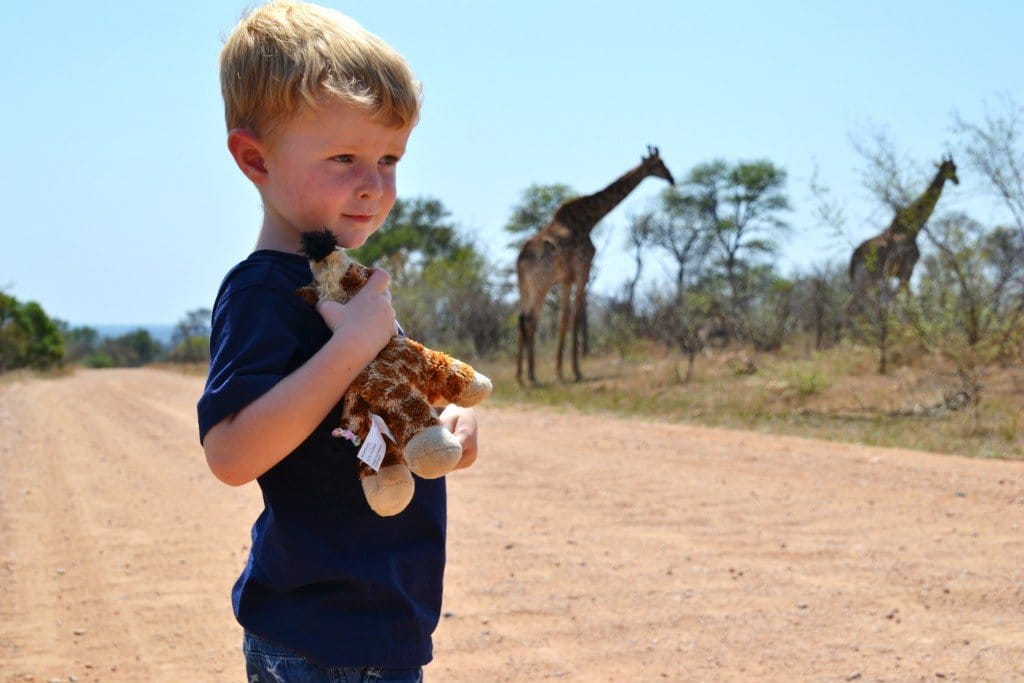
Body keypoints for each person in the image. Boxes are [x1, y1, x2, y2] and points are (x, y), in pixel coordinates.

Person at [197, 2, 478, 680]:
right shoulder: (264, 291)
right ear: (255, 158)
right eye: (345, 157)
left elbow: (377, 406)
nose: (375, 186)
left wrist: (444, 427)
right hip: (312, 637)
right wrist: (348, 347)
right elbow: (231, 453)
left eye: (389, 158)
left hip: (387, 624)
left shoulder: (347, 285)